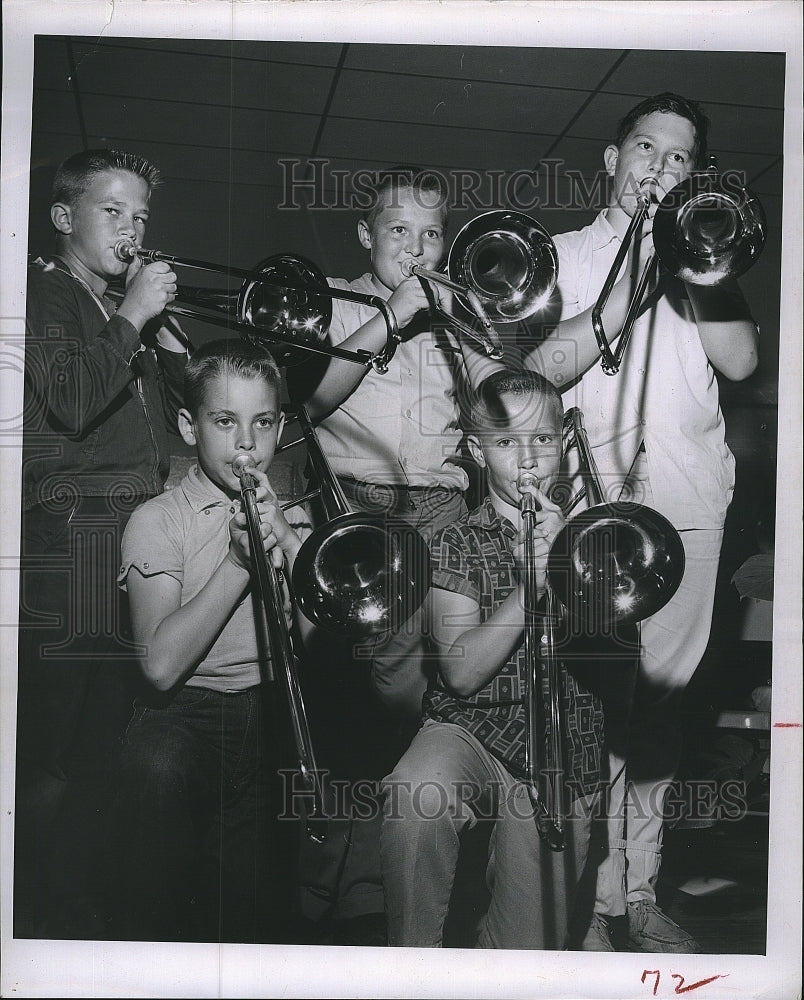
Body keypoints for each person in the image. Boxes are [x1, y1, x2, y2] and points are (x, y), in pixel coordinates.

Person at [519, 93, 760, 952]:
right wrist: (628, 288)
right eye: (646, 148)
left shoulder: (702, 261)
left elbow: (742, 361)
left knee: (662, 711)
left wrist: (702, 265)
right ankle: (590, 899)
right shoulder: (558, 255)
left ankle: (641, 891)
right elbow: (542, 371)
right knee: (598, 710)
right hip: (596, 512)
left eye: (681, 158)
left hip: (691, 504)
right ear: (610, 158)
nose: (660, 167)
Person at [286, 166, 492, 943]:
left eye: (432, 233)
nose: (416, 248)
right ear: (366, 235)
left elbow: (485, 413)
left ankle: (376, 889)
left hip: (438, 510)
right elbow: (305, 401)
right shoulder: (335, 301)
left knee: (412, 707)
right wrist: (394, 317)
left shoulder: (457, 313)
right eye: (398, 230)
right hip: (356, 512)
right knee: (349, 704)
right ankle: (316, 895)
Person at [16, 148, 188, 937]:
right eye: (112, 211)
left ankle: (80, 906)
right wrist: (135, 316)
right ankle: (38, 917)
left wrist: (172, 354)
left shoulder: (119, 314)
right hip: (69, 549)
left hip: (116, 544)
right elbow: (75, 401)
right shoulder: (43, 294)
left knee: (100, 743)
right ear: (64, 218)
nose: (132, 229)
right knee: (54, 751)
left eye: (141, 216)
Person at [379, 369, 605, 948]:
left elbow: (615, 663)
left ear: (566, 441)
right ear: (478, 453)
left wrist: (571, 564)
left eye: (544, 440)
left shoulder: (595, 538)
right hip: (471, 729)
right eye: (506, 442)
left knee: (525, 956)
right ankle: (410, 972)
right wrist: (532, 587)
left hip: (562, 743)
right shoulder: (453, 542)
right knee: (415, 796)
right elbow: (461, 672)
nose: (528, 459)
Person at [105, 339, 312, 943]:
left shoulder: (294, 516)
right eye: (225, 422)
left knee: (254, 925)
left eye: (263, 422)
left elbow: (319, 646)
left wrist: (291, 543)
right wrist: (240, 564)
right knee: (158, 894)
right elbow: (161, 666)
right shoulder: (159, 518)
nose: (247, 444)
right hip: (182, 721)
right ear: (188, 427)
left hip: (270, 711)